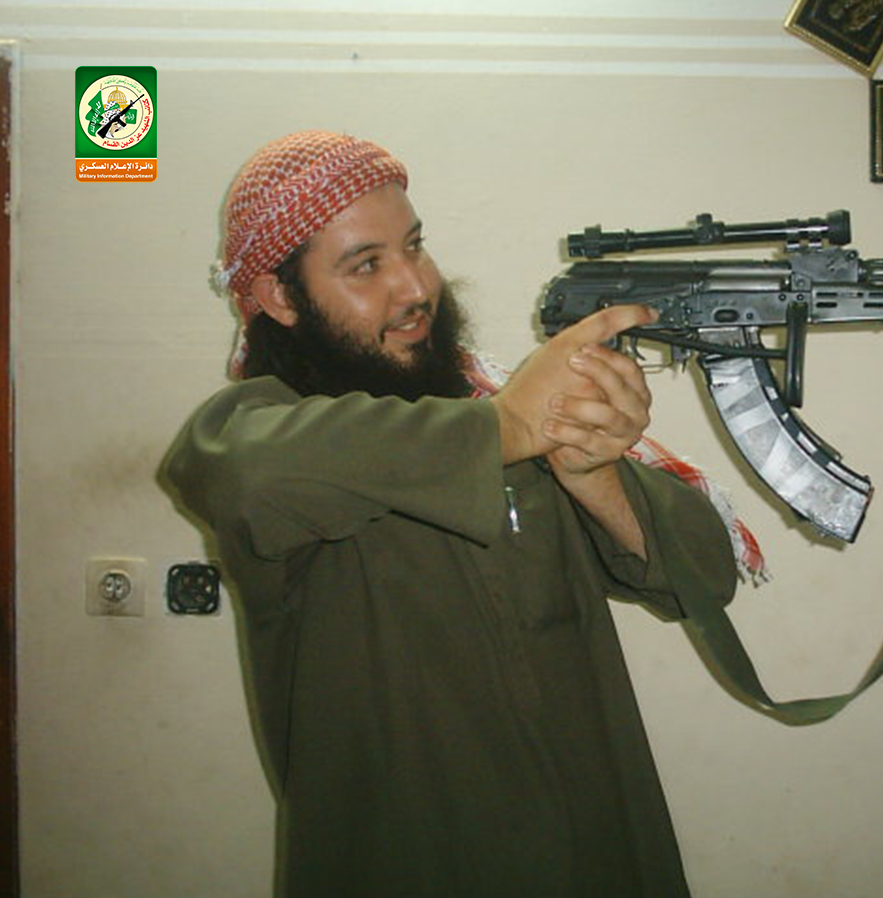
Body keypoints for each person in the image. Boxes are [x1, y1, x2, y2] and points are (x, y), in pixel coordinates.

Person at [162, 130, 742, 898]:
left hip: (600, 851)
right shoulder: (261, 428)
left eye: (414, 247)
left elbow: (703, 577)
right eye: (366, 265)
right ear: (278, 298)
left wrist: (590, 471)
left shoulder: (488, 415)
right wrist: (506, 428)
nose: (414, 287)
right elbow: (243, 476)